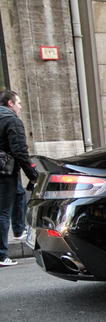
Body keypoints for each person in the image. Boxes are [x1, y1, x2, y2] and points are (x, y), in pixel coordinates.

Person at [0, 90, 37, 266]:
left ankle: (18, 230)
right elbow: (20, 152)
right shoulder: (12, 121)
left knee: (19, 193)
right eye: (19, 103)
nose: (20, 106)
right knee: (2, 212)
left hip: (6, 171)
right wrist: (33, 176)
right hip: (4, 172)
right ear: (10, 103)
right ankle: (1, 255)